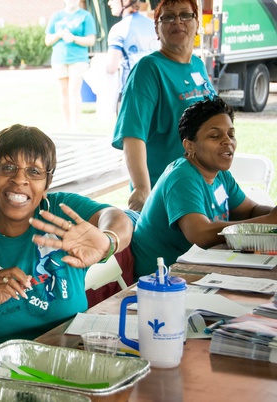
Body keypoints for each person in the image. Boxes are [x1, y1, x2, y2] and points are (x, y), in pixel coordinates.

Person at [0, 124, 133, 362]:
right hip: (1, 376)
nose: (19, 179)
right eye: (8, 167)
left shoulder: (60, 212)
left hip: (71, 361)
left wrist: (107, 241)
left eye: (34, 171)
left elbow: (117, 219)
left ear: (47, 183)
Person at [132, 96, 277, 278]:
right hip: (161, 281)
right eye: (215, 136)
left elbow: (249, 210)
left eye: (231, 134)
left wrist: (272, 215)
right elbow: (200, 233)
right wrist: (268, 222)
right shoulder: (182, 178)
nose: (227, 141)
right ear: (189, 145)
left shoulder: (220, 174)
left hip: (199, 268)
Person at [111, 0, 215, 212]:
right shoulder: (148, 70)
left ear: (196, 23)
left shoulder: (197, 65)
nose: (177, 21)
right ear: (157, 28)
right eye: (167, 17)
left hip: (202, 186)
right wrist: (142, 188)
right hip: (166, 191)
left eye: (185, 15)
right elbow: (133, 135)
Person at [45, 0, 97, 132]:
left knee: (74, 90)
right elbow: (47, 40)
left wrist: (74, 38)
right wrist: (59, 34)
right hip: (59, 58)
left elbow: (91, 40)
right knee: (63, 91)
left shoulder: (86, 16)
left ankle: (75, 125)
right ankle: (66, 123)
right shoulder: (56, 16)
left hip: (78, 58)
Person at [106, 0, 159, 109]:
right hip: (157, 87)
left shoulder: (118, 29)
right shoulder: (154, 24)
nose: (109, 3)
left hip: (132, 90)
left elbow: (111, 67)